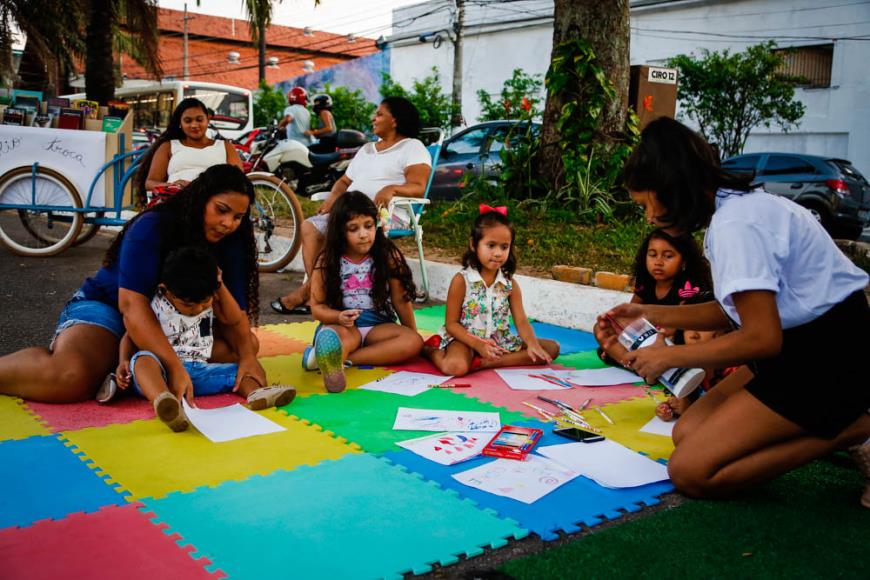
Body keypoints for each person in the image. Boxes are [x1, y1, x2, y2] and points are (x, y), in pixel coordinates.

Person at [596, 117, 870, 505]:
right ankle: (823, 423)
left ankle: (853, 428)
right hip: (794, 348)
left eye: (645, 205)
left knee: (691, 471)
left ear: (670, 187)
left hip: (827, 358)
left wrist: (668, 357)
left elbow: (761, 338)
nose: (648, 218)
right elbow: (736, 312)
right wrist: (650, 314)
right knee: (686, 432)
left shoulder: (736, 225)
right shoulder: (733, 210)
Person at [0, 164, 267, 404]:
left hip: (176, 326)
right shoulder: (152, 226)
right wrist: (175, 368)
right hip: (109, 310)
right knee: (71, 376)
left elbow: (235, 316)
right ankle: (120, 364)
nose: (228, 224)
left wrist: (248, 359)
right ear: (200, 199)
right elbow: (132, 307)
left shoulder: (232, 242)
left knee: (247, 345)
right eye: (221, 210)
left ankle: (125, 368)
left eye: (238, 217)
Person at [272, 96, 432, 315]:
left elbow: (418, 186)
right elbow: (344, 182)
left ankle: (310, 294)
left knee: (342, 231)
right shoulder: (367, 149)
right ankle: (321, 292)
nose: (374, 118)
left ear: (395, 120)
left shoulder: (412, 147)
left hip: (385, 215)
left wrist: (391, 189)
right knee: (310, 227)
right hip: (350, 213)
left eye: (379, 114)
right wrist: (332, 199)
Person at [109, 247, 295, 431]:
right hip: (162, 373)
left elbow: (233, 318)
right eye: (189, 305)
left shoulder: (206, 293)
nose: (198, 309)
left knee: (240, 373)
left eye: (204, 302)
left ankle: (257, 394)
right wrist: (123, 361)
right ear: (166, 290)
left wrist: (219, 286)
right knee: (142, 361)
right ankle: (165, 402)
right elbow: (130, 335)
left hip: (199, 370)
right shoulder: (156, 305)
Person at [306, 191, 423, 392]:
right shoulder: (328, 260)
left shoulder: (387, 255)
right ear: (340, 231)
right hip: (343, 325)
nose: (363, 234)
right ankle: (331, 353)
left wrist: (413, 335)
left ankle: (340, 360)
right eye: (354, 229)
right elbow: (317, 308)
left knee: (412, 341)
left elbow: (400, 299)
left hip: (378, 325)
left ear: (376, 224)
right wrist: (338, 317)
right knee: (335, 337)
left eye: (368, 226)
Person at [422, 205, 560, 376]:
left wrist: (532, 344)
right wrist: (478, 345)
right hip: (466, 340)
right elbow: (451, 324)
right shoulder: (462, 281)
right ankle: (431, 350)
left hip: (499, 341)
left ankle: (487, 362)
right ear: (474, 244)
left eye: (504, 247)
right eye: (491, 245)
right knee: (455, 367)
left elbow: (521, 321)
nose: (498, 253)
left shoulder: (510, 285)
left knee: (551, 349)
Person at [597, 228, 712, 366]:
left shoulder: (688, 286)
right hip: (645, 337)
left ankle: (631, 361)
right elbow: (630, 315)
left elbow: (675, 328)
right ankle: (629, 361)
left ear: (684, 260)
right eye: (652, 255)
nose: (658, 262)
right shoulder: (646, 281)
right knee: (601, 330)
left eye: (668, 256)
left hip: (671, 340)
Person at [138, 98, 243, 205]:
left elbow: (239, 180)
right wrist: (172, 186)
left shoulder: (225, 147)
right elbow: (150, 183)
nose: (194, 125)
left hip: (215, 203)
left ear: (208, 119)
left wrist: (201, 187)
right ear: (180, 123)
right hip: (176, 202)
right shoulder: (168, 146)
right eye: (188, 121)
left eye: (199, 120)